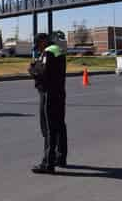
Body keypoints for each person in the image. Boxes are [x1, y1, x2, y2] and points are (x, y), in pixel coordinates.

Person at [28, 33, 68, 174]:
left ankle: (48, 163)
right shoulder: (58, 50)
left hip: (48, 94)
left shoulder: (48, 52)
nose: (37, 48)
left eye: (38, 44)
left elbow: (41, 72)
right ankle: (60, 157)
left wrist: (32, 68)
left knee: (48, 129)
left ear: (43, 41)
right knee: (60, 125)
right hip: (59, 93)